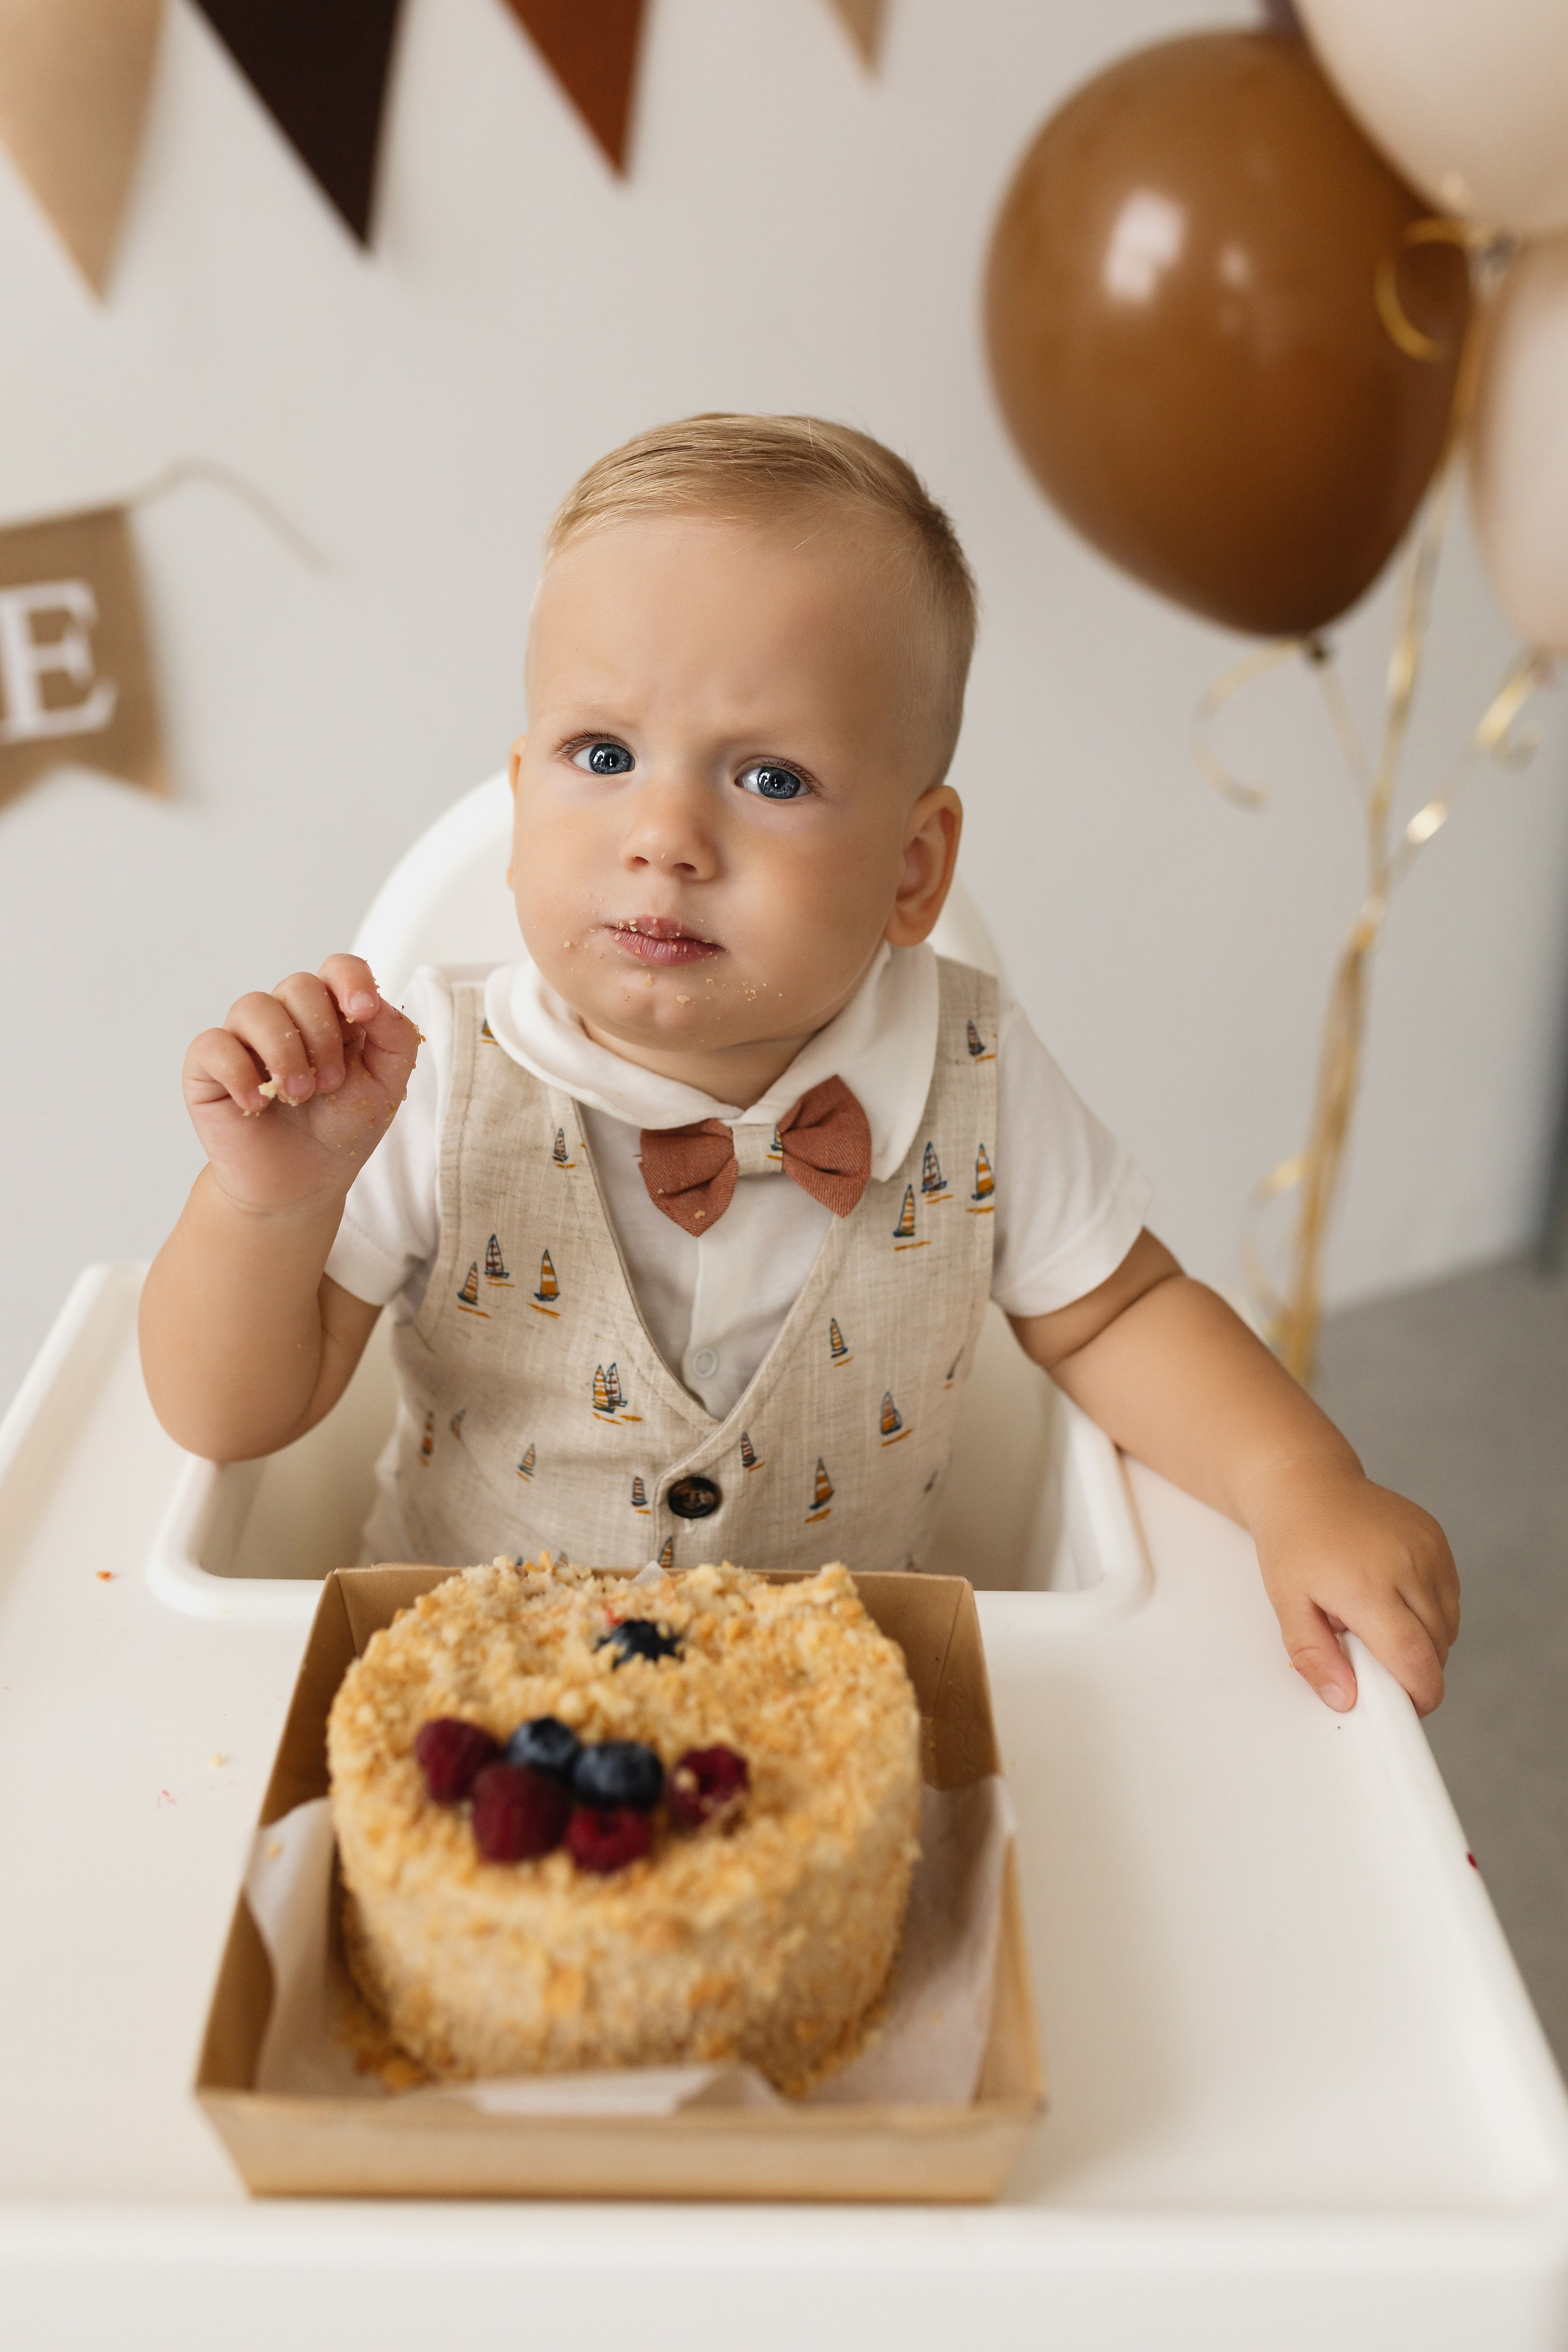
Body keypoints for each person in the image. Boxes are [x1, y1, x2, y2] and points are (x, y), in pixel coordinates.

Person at [139, 413, 1458, 1718]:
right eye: (600, 755)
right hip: (464, 1706)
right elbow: (229, 1421)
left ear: (913, 868)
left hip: (826, 1720)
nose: (663, 835)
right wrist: (267, 1202)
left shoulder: (972, 1069)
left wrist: (1299, 1483)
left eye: (768, 777)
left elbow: (1114, 1314)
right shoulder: (417, 1072)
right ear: (521, 793)